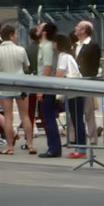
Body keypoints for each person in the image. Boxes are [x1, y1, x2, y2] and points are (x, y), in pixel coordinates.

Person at [0, 24, 30, 155]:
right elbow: (26, 67)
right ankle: (30, 144)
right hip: (20, 85)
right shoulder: (21, 50)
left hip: (5, 85)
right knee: (25, 116)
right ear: (12, 35)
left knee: (8, 117)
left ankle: (9, 146)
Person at [35, 22, 62, 157]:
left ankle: (54, 148)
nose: (37, 29)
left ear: (44, 32)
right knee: (47, 117)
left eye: (40, 28)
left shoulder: (47, 47)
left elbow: (47, 68)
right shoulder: (46, 46)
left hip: (47, 87)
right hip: (48, 86)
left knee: (48, 118)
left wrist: (41, 89)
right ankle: (53, 146)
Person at [72, 19, 102, 142]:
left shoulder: (93, 46)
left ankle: (92, 137)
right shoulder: (75, 45)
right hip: (75, 81)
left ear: (83, 30)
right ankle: (73, 136)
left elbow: (94, 65)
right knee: (72, 110)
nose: (75, 28)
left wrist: (89, 78)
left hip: (86, 81)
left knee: (88, 110)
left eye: (78, 27)